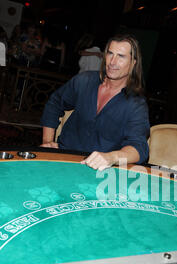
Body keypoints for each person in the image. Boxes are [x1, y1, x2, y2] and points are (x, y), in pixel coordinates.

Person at [40, 33, 149, 170]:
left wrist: (111, 157)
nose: (112, 62)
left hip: (99, 172)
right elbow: (55, 103)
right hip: (63, 159)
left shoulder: (136, 104)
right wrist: (48, 141)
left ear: (133, 63)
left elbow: (139, 148)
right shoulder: (84, 81)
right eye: (110, 54)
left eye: (121, 56)